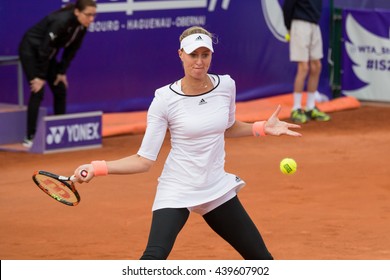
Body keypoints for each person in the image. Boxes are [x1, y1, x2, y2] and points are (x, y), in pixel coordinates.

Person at [73, 26, 302, 260]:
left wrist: (262, 127)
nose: (200, 61)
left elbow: (228, 127)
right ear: (181, 54)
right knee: (153, 259)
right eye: (193, 54)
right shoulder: (164, 99)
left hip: (215, 187)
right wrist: (97, 167)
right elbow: (143, 161)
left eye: (205, 55)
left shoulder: (226, 86)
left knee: (262, 259)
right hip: (177, 188)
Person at [19, 0, 97, 148]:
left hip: (47, 55)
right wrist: (40, 77)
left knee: (60, 87)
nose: (91, 19)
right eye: (88, 15)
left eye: (94, 15)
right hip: (31, 51)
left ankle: (59, 131)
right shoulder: (61, 21)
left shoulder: (82, 27)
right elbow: (45, 47)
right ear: (77, 12)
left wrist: (61, 72)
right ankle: (30, 136)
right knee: (38, 90)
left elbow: (71, 51)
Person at [283, 0, 331, 124]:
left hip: (314, 25)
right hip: (299, 24)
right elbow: (288, 6)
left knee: (316, 66)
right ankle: (296, 108)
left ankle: (310, 107)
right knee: (303, 67)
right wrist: (289, 27)